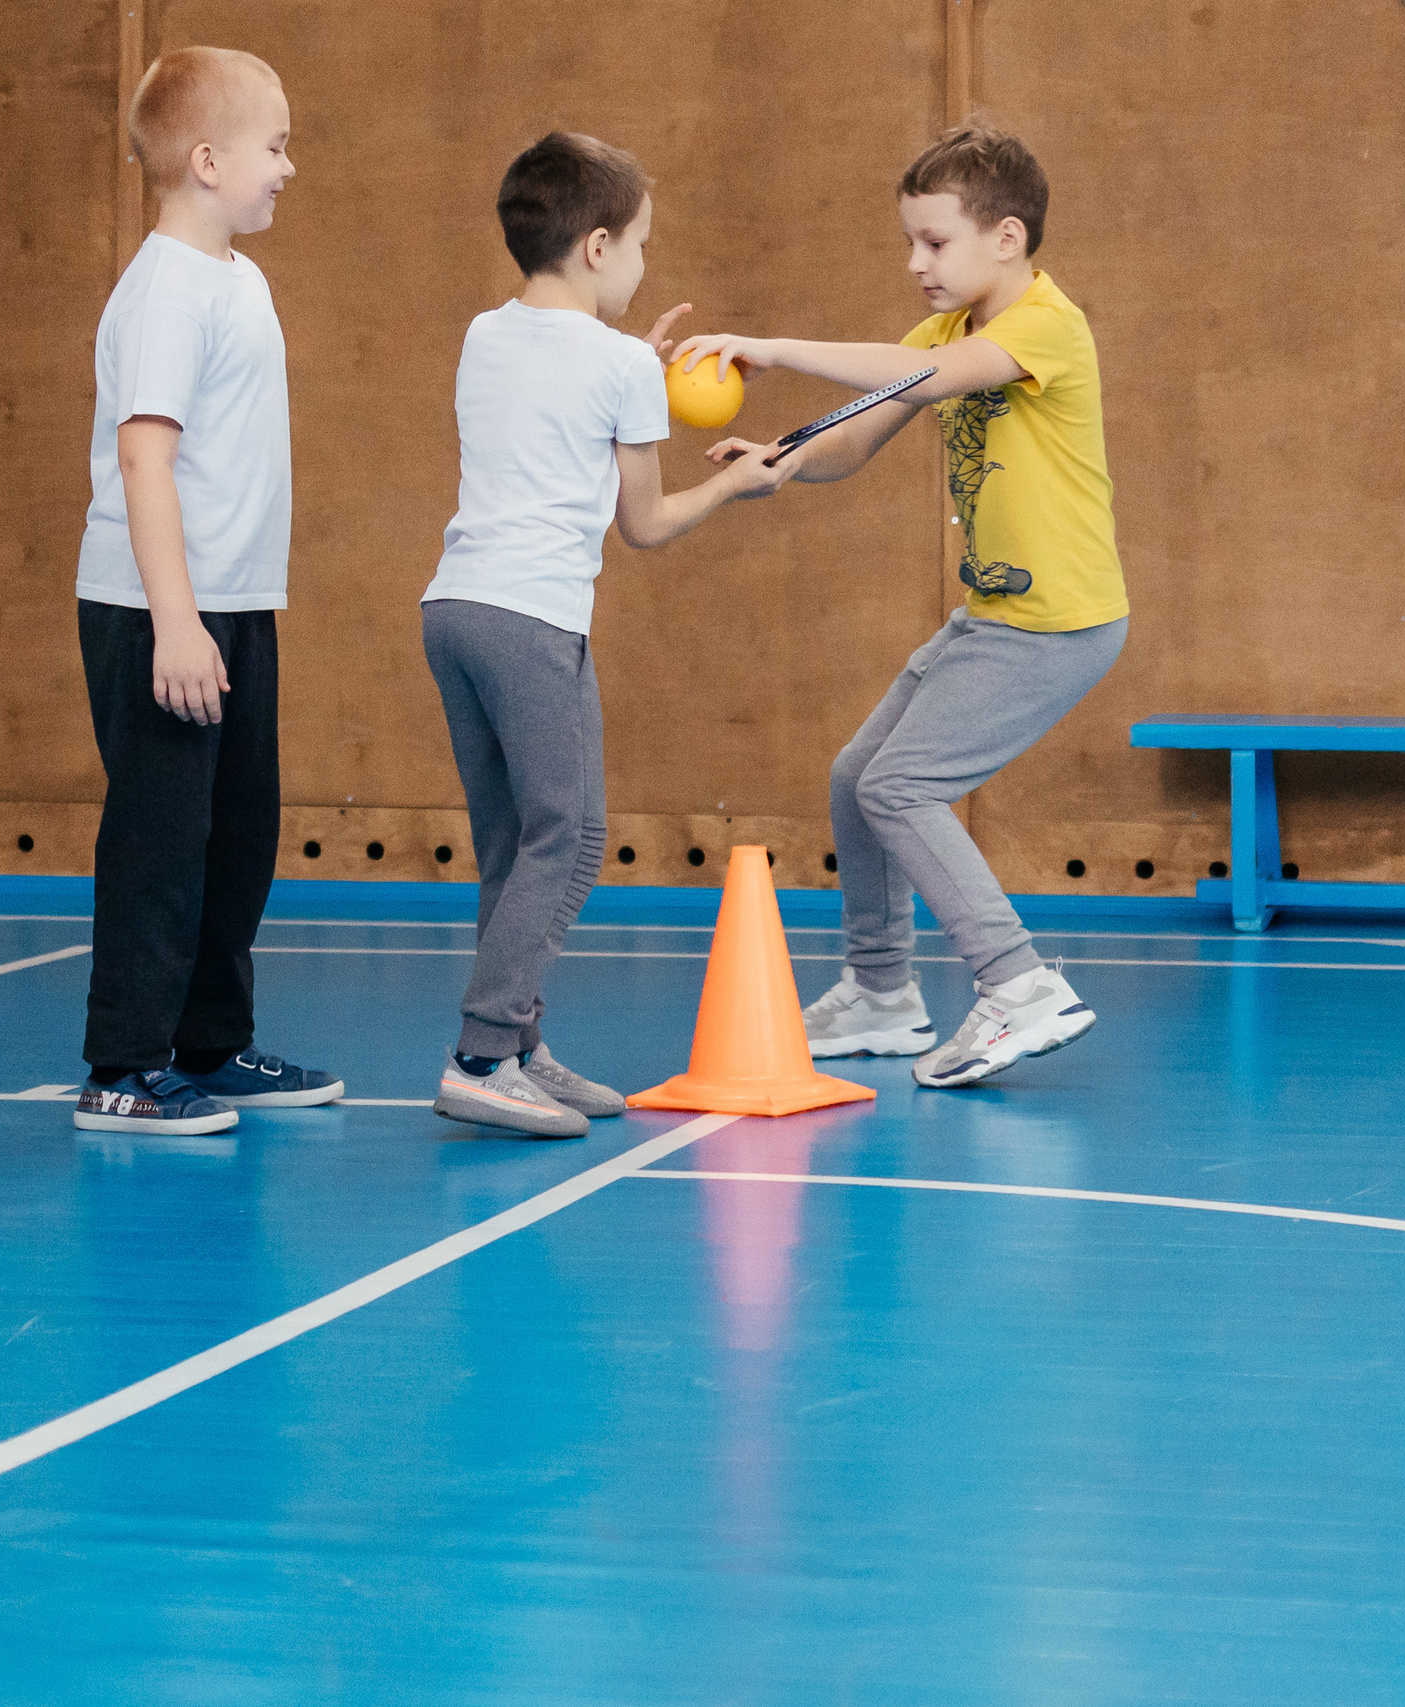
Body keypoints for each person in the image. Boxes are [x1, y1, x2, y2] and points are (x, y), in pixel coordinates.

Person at [675, 122, 1125, 1089]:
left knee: (901, 786)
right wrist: (779, 461)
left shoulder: (1044, 323)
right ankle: (882, 993)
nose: (915, 261)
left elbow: (927, 378)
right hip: (993, 619)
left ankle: (1018, 987)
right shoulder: (938, 334)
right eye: (910, 241)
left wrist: (772, 346)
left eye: (935, 241)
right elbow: (849, 440)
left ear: (1006, 238)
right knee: (858, 777)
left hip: (1057, 624)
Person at [424, 131, 795, 1138]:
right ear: (596, 248)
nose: (640, 264)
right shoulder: (620, 370)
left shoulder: (483, 334)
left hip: (452, 610)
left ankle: (520, 1049)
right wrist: (735, 480)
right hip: (533, 621)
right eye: (637, 245)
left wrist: (630, 365)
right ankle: (477, 1056)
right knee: (574, 836)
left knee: (514, 844)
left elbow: (556, 392)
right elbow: (645, 525)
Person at [72, 46, 342, 1138]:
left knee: (236, 834)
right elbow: (145, 459)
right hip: (156, 610)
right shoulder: (164, 292)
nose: (288, 167)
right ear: (206, 158)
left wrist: (219, 612)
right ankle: (121, 1068)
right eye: (274, 147)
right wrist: (174, 623)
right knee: (159, 842)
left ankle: (208, 1044)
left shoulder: (238, 275)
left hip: (232, 600)